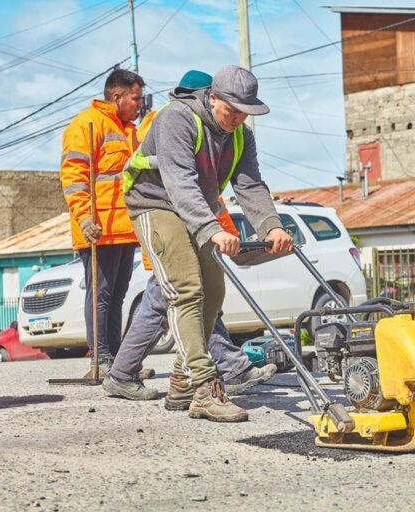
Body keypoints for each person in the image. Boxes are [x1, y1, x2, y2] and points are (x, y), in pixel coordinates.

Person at [121, 65, 293, 422]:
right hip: (155, 202)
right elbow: (179, 183)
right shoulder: (176, 118)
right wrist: (212, 229)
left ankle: (182, 379)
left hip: (198, 208)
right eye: (232, 109)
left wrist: (272, 227)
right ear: (212, 97)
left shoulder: (241, 134)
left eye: (245, 111)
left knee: (214, 293)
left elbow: (250, 185)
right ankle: (203, 388)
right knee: (186, 290)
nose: (238, 118)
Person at [59, 68, 144, 377]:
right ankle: (101, 358)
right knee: (101, 295)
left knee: (117, 294)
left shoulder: (128, 130)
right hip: (99, 228)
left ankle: (118, 360)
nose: (140, 104)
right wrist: (83, 218)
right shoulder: (87, 124)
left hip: (123, 227)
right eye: (136, 98)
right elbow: (73, 174)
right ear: (117, 96)